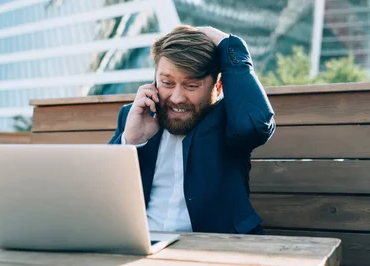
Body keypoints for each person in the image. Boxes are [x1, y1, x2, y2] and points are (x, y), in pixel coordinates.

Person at [109, 25, 275, 234]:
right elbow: (104, 196)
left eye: (191, 86)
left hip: (214, 250)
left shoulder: (231, 119)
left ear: (218, 87)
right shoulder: (133, 116)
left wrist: (229, 44)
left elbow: (255, 126)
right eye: (167, 83)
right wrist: (131, 141)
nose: (177, 98)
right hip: (142, 245)